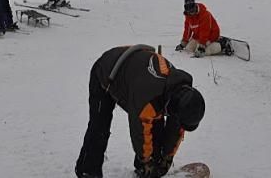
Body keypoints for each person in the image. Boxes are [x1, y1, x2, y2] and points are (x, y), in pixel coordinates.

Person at [75, 45, 205, 178]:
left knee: (155, 123)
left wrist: (167, 156)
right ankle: (87, 171)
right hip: (106, 71)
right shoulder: (148, 96)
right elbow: (140, 131)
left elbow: (176, 126)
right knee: (99, 127)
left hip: (135, 73)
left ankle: (147, 169)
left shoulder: (181, 92)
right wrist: (146, 160)